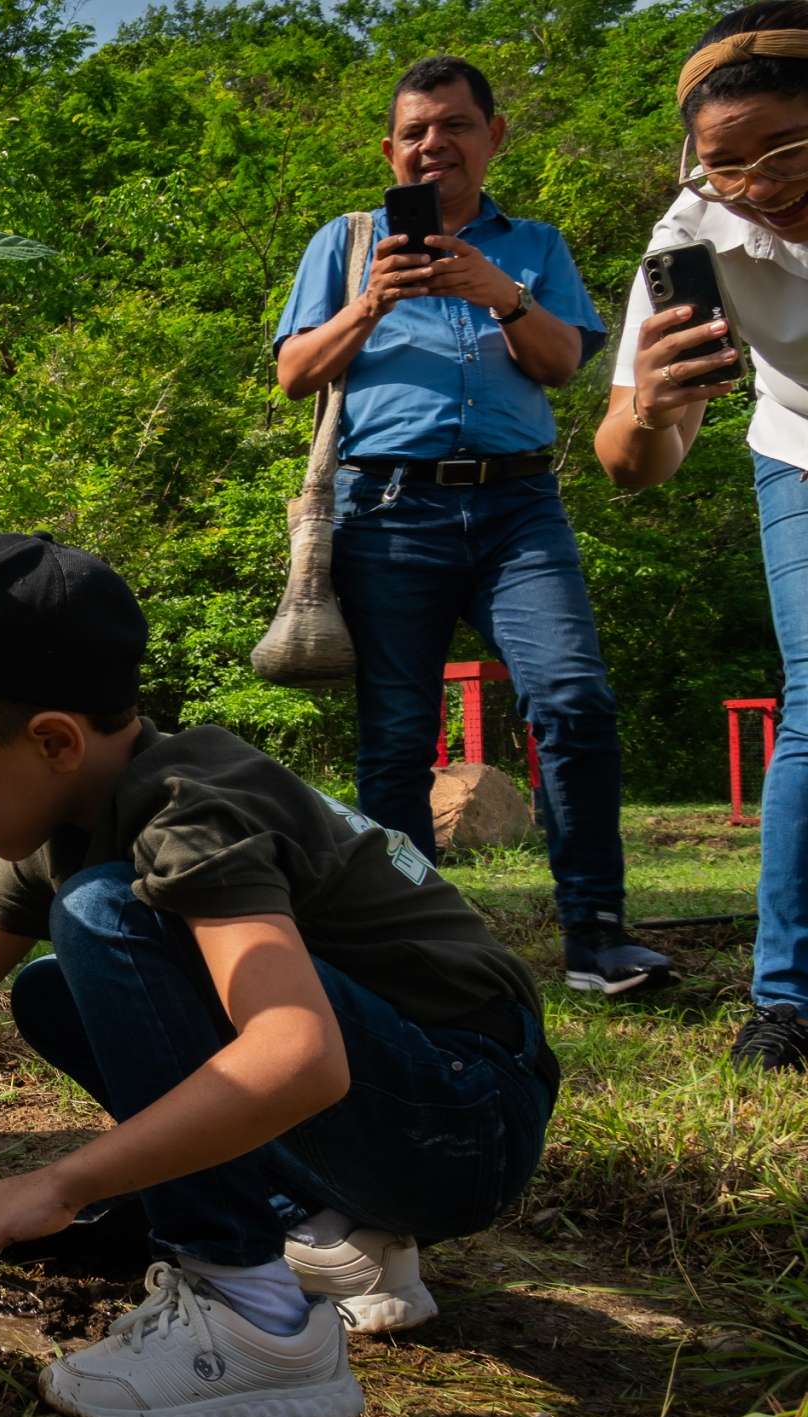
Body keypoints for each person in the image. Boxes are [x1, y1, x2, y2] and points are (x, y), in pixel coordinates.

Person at [0, 532, 559, 1417]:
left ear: (53, 740)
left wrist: (67, 1180)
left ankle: (252, 1312)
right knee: (54, 988)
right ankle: (336, 1231)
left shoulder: (190, 813)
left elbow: (302, 1060)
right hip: (412, 1109)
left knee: (99, 917)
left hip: (463, 1116)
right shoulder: (79, 814)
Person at [274, 56, 676, 997]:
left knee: (573, 699)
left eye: (454, 126)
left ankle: (597, 934)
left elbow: (563, 365)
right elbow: (294, 374)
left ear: (493, 137)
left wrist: (500, 291)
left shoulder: (534, 244)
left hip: (516, 506)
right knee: (398, 738)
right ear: (390, 148)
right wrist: (373, 302)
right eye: (414, 131)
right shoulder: (346, 241)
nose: (433, 145)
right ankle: (414, 946)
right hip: (386, 509)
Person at [593, 2, 808, 1072]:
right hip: (800, 448)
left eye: (788, 149)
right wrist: (650, 406)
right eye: (728, 163)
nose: (761, 184)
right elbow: (633, 464)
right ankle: (788, 1001)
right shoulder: (691, 237)